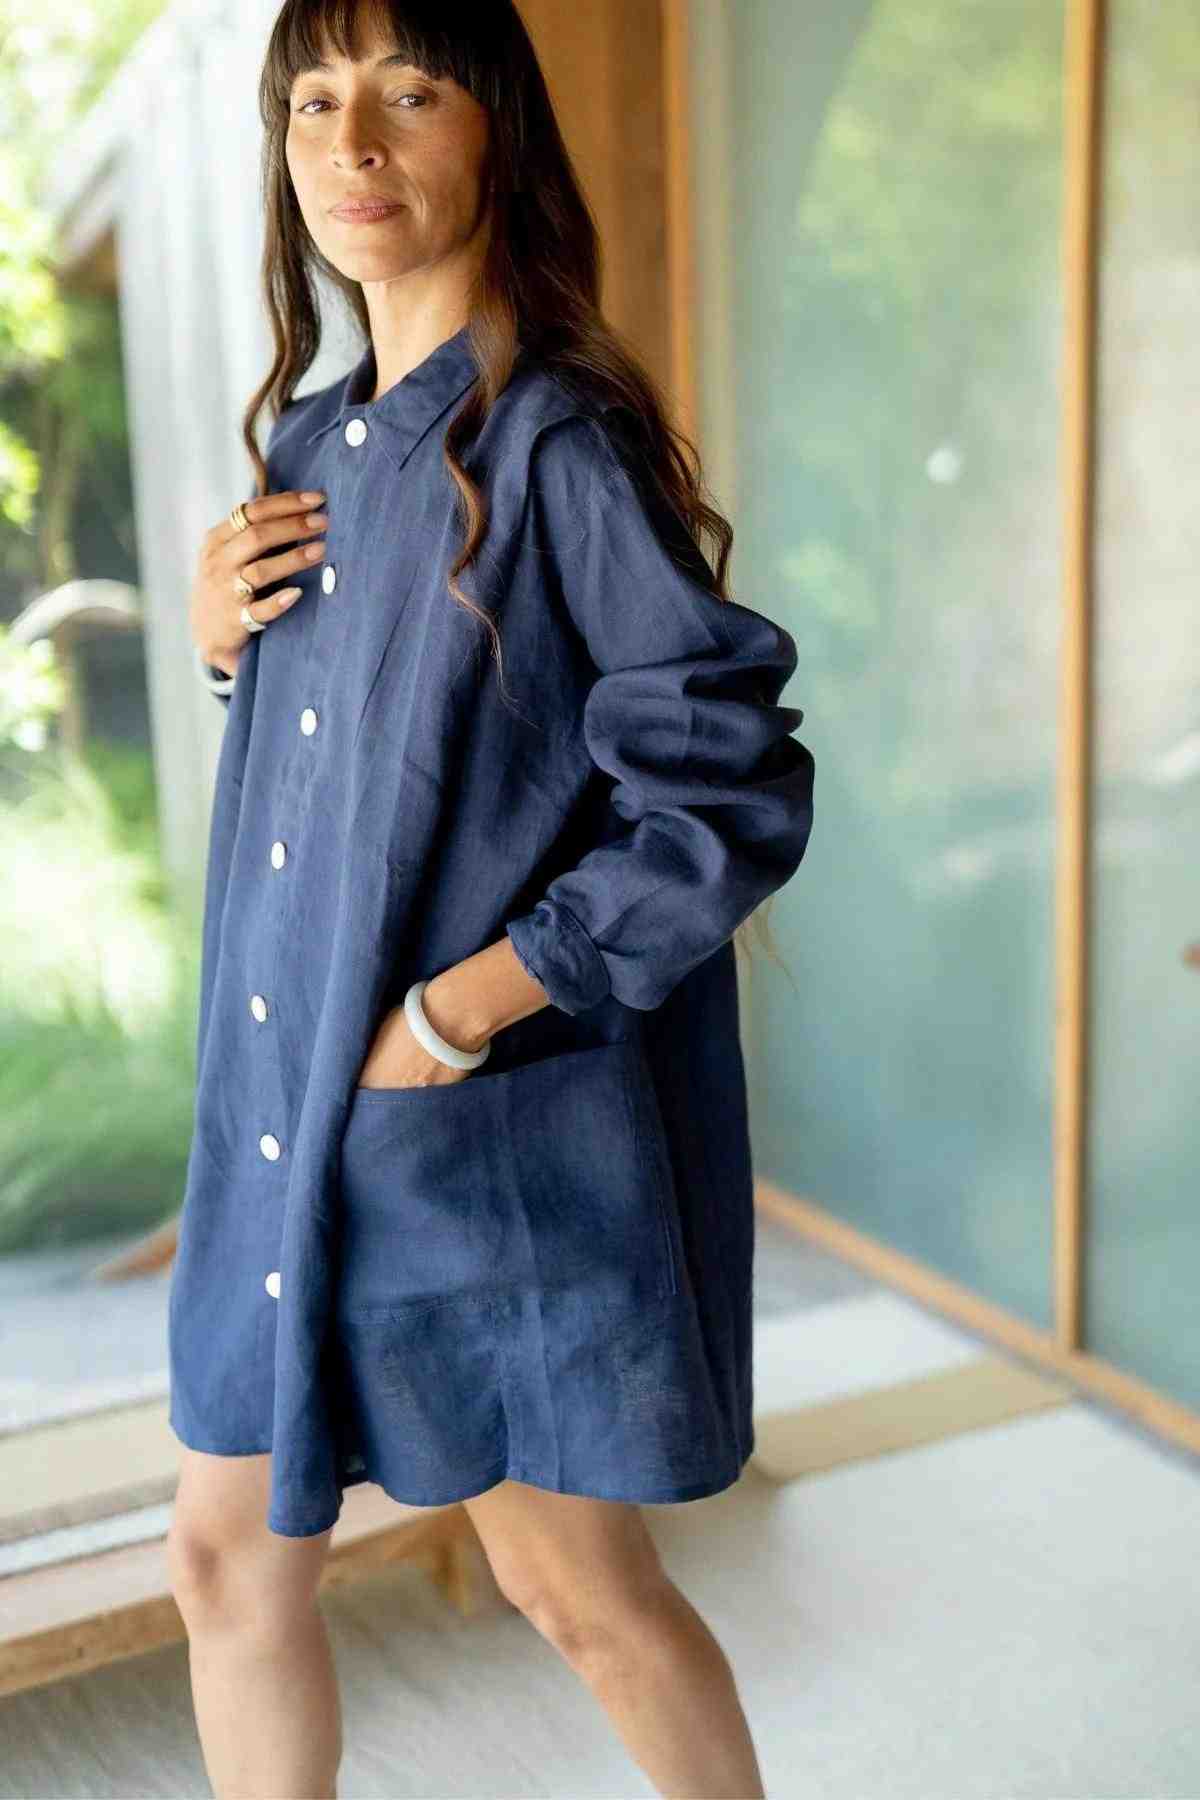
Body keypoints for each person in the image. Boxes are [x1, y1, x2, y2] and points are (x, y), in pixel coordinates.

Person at [170, 2, 815, 1796]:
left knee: (573, 1581)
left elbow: (727, 791)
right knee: (223, 1559)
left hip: (460, 1128)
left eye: (408, 91)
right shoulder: (305, 449)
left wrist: (454, 1020)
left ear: (494, 135)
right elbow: (381, 763)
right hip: (280, 1121)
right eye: (312, 99)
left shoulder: (556, 452)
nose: (350, 140)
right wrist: (229, 652)